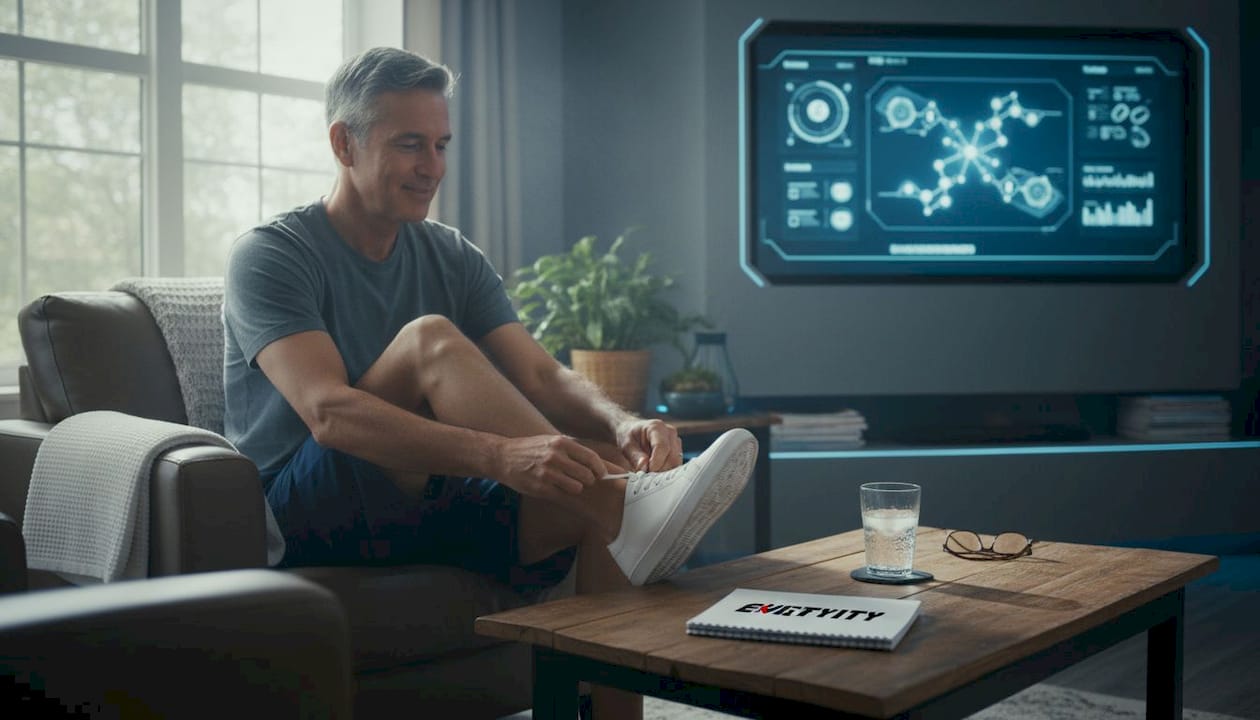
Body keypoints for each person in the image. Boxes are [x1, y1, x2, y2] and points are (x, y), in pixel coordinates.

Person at [223, 46, 755, 719]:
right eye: (411, 144)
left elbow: (539, 372)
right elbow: (327, 413)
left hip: (432, 490)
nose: (433, 168)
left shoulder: (450, 252)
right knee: (431, 340)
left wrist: (622, 425)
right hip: (309, 507)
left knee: (602, 492)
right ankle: (627, 501)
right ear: (343, 143)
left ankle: (616, 648)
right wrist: (502, 457)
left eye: (441, 144)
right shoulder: (273, 254)